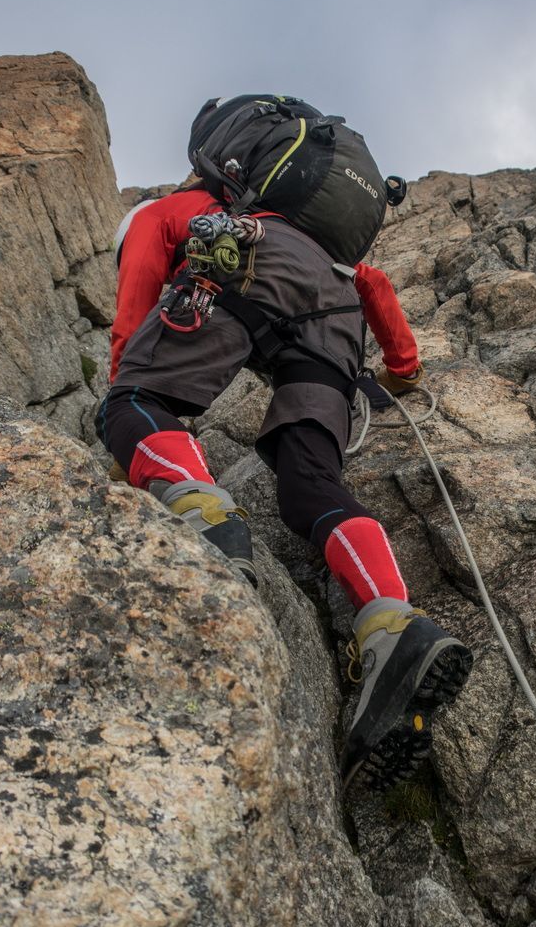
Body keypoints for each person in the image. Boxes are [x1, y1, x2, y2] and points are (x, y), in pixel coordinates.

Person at [98, 176, 472, 791]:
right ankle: (391, 625)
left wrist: (127, 428)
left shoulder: (157, 216)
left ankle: (206, 517)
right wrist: (402, 371)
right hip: (335, 317)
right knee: (311, 483)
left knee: (131, 400)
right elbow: (372, 283)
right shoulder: (309, 226)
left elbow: (133, 323)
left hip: (248, 268)